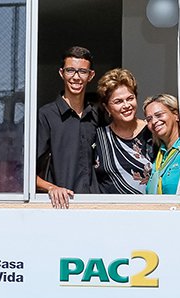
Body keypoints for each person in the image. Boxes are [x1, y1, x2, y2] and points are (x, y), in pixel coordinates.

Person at [36, 46, 101, 208]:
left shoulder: (96, 116)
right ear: (61, 73)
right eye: (70, 70)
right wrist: (52, 188)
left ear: (91, 75)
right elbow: (25, 173)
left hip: (95, 207)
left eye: (82, 72)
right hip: (60, 208)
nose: (76, 77)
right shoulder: (46, 115)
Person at [93, 68, 155, 194]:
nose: (126, 105)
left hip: (148, 210)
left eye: (130, 98)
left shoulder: (153, 132)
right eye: (118, 101)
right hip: (110, 211)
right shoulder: (98, 137)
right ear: (107, 107)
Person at [143, 94, 180, 195]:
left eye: (159, 115)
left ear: (176, 115)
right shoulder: (159, 155)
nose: (154, 121)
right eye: (149, 119)